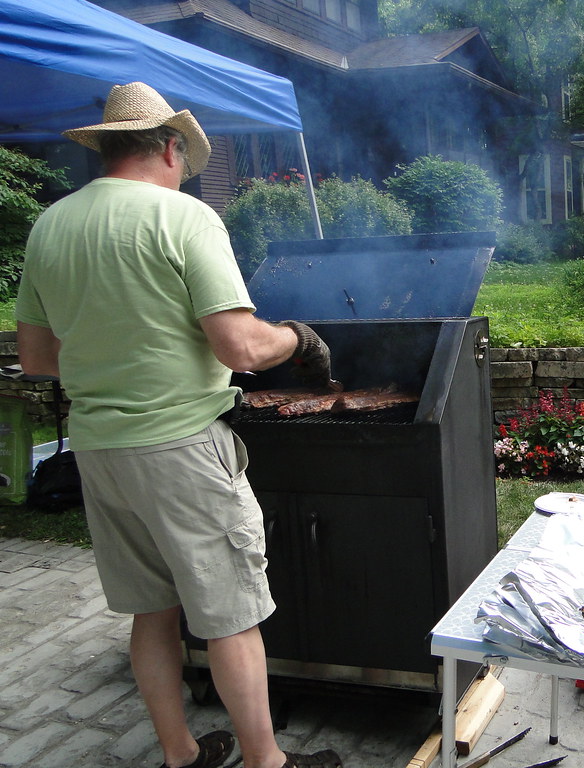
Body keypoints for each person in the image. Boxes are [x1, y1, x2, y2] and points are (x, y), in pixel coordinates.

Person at [16, 82, 343, 768]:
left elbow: (39, 358)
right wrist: (298, 339)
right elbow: (241, 348)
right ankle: (266, 762)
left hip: (101, 450)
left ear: (107, 149)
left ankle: (181, 756)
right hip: (183, 450)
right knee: (230, 616)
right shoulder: (184, 218)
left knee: (152, 612)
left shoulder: (51, 224)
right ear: (169, 147)